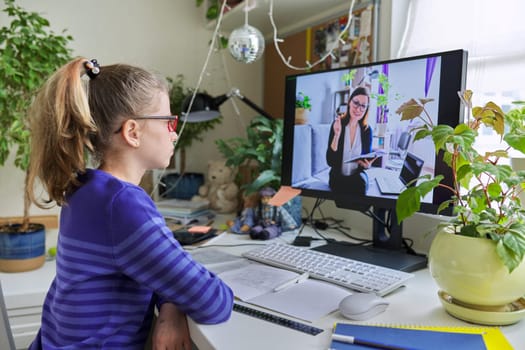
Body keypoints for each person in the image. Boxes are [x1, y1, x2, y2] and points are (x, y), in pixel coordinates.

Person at [26, 58, 234, 349]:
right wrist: (177, 296)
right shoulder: (122, 205)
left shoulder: (86, 188)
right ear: (133, 132)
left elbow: (154, 268)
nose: (174, 132)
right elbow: (214, 301)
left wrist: (171, 307)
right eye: (169, 121)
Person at [326, 86, 376, 195]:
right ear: (349, 102)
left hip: (356, 179)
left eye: (363, 106)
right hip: (337, 178)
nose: (358, 109)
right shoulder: (337, 125)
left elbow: (365, 162)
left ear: (366, 109)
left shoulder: (367, 131)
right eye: (356, 103)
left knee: (360, 186)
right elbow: (330, 161)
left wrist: (367, 166)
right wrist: (337, 135)